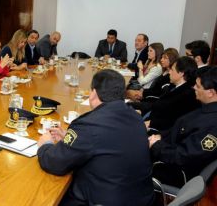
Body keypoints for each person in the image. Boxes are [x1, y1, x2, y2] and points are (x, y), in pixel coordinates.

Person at [37, 69, 155, 206]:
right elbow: (107, 142)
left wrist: (46, 145)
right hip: (141, 199)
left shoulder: (89, 124)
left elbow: (55, 163)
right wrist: (70, 139)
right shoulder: (135, 117)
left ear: (93, 93)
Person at [149, 67, 217, 187]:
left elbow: (182, 157)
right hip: (167, 151)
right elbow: (179, 130)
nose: (194, 87)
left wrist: (157, 145)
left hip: (173, 170)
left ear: (211, 92)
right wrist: (160, 136)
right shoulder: (205, 108)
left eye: (198, 85)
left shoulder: (212, 126)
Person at [147, 56, 200, 133]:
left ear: (181, 73)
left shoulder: (187, 95)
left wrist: (151, 123)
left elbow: (173, 121)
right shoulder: (173, 86)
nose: (169, 72)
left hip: (158, 132)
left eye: (172, 69)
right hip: (151, 121)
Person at [127, 48, 179, 114]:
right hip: (148, 96)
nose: (161, 60)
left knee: (128, 98)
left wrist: (143, 94)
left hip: (152, 102)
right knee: (128, 95)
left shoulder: (169, 76)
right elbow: (156, 89)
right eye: (162, 57)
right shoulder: (165, 71)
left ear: (172, 60)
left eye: (165, 58)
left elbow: (160, 96)